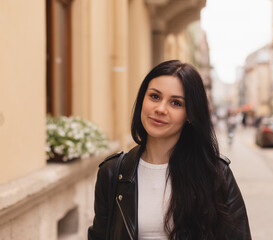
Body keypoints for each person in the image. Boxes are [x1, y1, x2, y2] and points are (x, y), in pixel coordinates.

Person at [88, 60, 251, 240]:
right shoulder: (112, 173)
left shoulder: (216, 174)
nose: (160, 109)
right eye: (155, 97)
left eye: (176, 103)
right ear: (143, 99)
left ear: (190, 114)